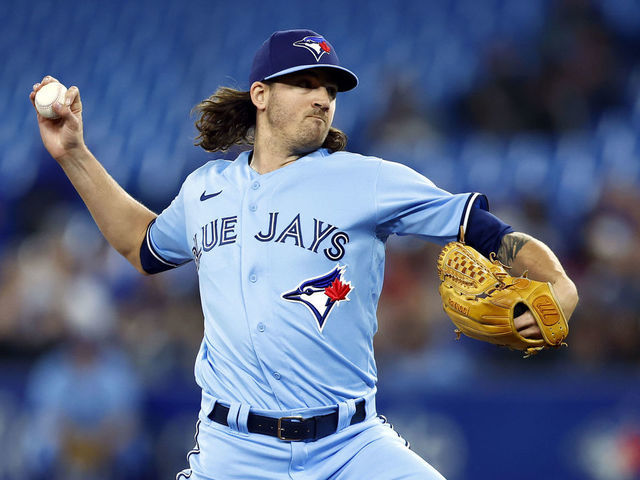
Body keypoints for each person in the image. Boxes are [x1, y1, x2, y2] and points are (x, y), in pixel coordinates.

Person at [30, 29, 578, 480]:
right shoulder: (206, 189)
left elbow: (487, 229)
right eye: (305, 83)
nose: (322, 98)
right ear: (261, 94)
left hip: (351, 445)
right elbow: (141, 245)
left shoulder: (367, 179)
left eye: (330, 90)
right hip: (234, 453)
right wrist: (74, 153)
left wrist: (559, 283)